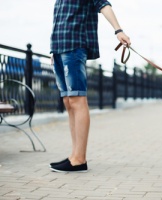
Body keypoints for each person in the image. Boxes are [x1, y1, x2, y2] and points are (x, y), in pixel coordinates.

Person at [49, 0, 131, 172]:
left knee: (78, 100)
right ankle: (74, 155)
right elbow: (59, 18)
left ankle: (79, 159)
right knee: (68, 102)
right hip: (58, 47)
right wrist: (53, 50)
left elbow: (103, 4)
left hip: (74, 45)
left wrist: (118, 30)